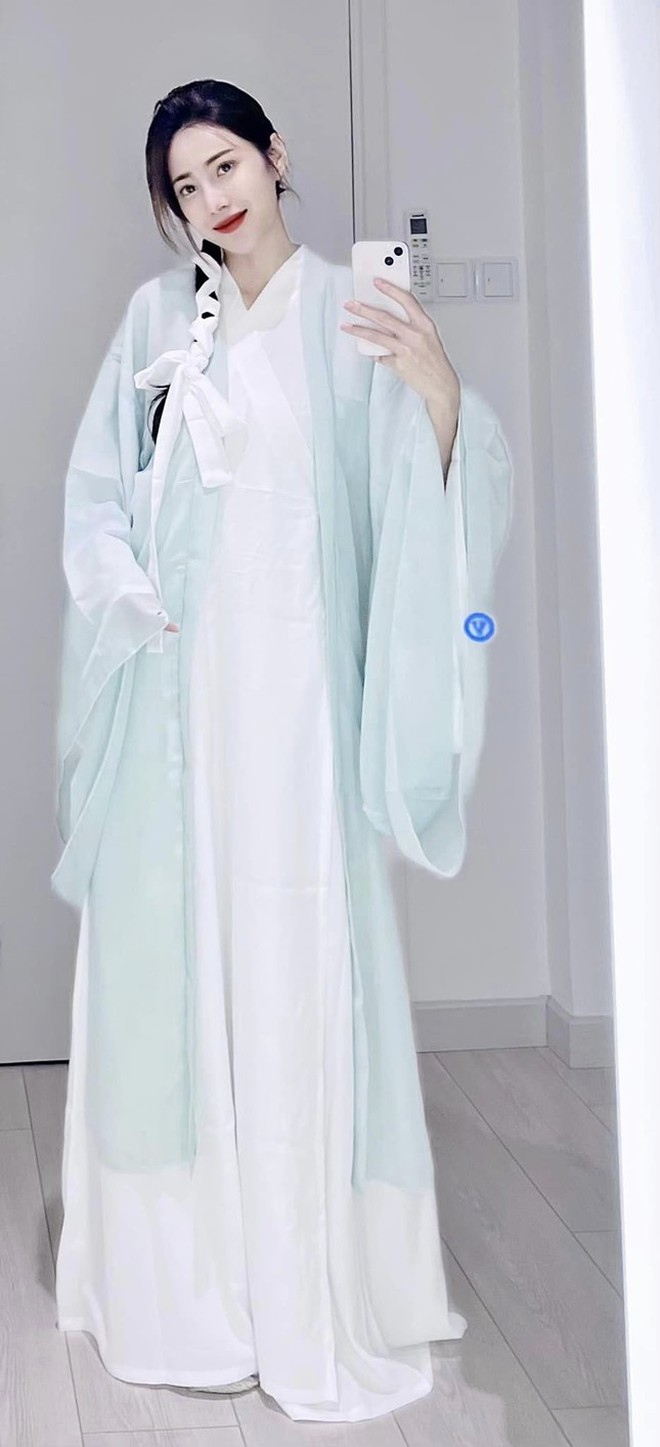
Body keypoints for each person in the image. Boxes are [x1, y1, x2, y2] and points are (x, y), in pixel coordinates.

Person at [51, 78, 514, 1424]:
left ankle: (304, 1270)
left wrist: (439, 392)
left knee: (293, 957)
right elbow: (96, 499)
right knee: (172, 968)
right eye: (185, 186)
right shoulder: (157, 323)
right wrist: (129, 597)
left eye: (227, 165)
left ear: (275, 156)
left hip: (301, 702)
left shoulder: (350, 310)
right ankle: (185, 1279)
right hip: (179, 700)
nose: (213, 199)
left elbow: (432, 498)